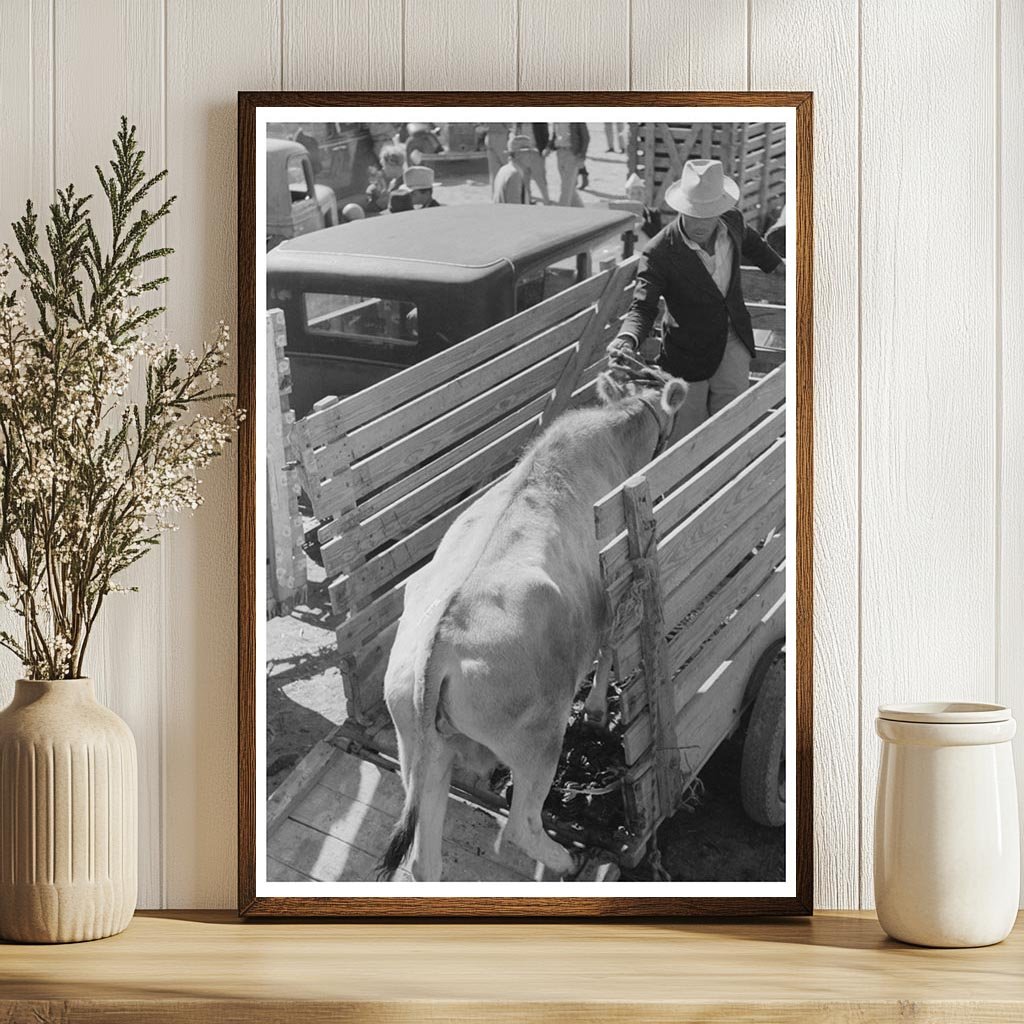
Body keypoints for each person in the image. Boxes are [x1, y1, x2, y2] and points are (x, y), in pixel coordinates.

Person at [608, 159, 785, 441]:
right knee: (687, 435)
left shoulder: (734, 220)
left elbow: (754, 245)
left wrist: (780, 267)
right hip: (686, 354)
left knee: (733, 424)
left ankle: (730, 480)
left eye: (709, 212)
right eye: (693, 212)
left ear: (721, 208)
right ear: (680, 207)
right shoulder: (658, 252)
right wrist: (627, 338)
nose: (700, 222)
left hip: (733, 340)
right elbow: (642, 307)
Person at [552, 122, 589, 206]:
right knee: (569, 187)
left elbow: (585, 137)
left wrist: (582, 154)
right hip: (560, 152)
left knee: (566, 187)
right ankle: (581, 211)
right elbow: (555, 135)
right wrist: (548, 147)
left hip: (572, 154)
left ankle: (562, 213)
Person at [492, 135, 536, 204]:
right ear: (518, 154)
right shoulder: (515, 174)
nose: (532, 156)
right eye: (528, 153)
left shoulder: (503, 169)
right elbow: (515, 209)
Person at [365, 143, 406, 214]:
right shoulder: (393, 182)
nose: (383, 169)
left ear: (392, 164)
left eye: (384, 165)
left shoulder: (404, 183)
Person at [478, 122, 510, 189]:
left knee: (498, 171)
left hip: (495, 136)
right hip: (497, 136)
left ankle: (497, 196)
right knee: (506, 169)